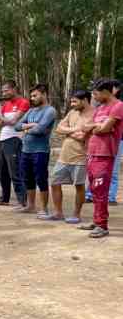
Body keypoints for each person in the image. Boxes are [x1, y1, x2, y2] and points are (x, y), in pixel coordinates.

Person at [79, 78, 123, 238]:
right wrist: (96, 127)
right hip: (92, 153)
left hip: (105, 154)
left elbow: (104, 128)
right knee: (94, 189)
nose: (94, 97)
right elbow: (86, 127)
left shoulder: (118, 106)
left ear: (106, 91)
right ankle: (97, 221)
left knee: (101, 189)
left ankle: (102, 225)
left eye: (96, 94)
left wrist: (96, 127)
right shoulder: (100, 108)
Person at [46, 90, 94, 223]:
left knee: (79, 185)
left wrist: (69, 132)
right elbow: (59, 128)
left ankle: (76, 215)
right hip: (64, 156)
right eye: (71, 101)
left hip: (80, 156)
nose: (72, 104)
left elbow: (82, 136)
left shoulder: (94, 114)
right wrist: (74, 130)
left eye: (75, 101)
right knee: (55, 182)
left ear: (85, 100)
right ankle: (58, 213)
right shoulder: (72, 112)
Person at [13, 84, 57, 217]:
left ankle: (44, 208)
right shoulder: (31, 111)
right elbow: (16, 126)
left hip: (40, 150)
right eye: (31, 96)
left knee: (41, 179)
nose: (32, 98)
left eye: (35, 95)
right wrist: (30, 125)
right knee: (27, 178)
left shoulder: (50, 111)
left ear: (44, 94)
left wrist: (25, 129)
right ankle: (31, 205)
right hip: (26, 150)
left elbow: (40, 130)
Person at [0, 81, 30, 207]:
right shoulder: (5, 105)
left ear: (14, 89)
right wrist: (4, 120)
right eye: (3, 91)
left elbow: (14, 121)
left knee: (15, 171)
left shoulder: (23, 102)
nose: (4, 93)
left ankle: (22, 200)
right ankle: (5, 198)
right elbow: (0, 122)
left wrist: (3, 119)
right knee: (1, 171)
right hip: (3, 138)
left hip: (15, 139)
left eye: (6, 90)